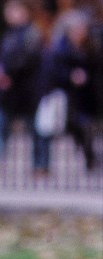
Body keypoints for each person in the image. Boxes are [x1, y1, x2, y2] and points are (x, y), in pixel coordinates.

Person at [34, 12, 99, 174]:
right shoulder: (59, 49)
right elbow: (51, 72)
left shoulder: (91, 47)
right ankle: (43, 164)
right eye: (77, 30)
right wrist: (70, 75)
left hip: (84, 97)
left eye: (83, 29)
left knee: (84, 127)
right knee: (54, 128)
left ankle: (88, 157)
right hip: (64, 96)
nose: (80, 33)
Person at [0, 0, 41, 172]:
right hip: (7, 91)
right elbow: (2, 57)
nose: (8, 14)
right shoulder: (9, 34)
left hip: (25, 90)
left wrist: (7, 73)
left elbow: (29, 59)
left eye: (13, 10)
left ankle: (40, 166)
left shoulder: (31, 33)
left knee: (36, 129)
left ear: (24, 12)